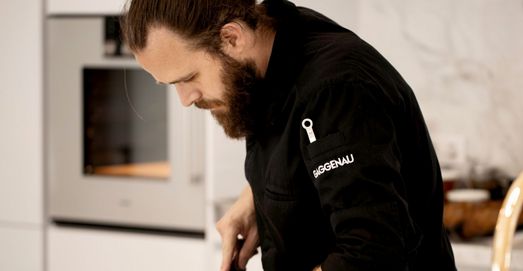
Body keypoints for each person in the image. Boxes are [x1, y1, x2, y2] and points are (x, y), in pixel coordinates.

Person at [121, 0, 456, 270]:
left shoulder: (335, 88)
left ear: (232, 38)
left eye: (188, 77)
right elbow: (310, 150)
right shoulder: (271, 52)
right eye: (171, 85)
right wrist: (253, 201)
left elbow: (372, 253)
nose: (186, 99)